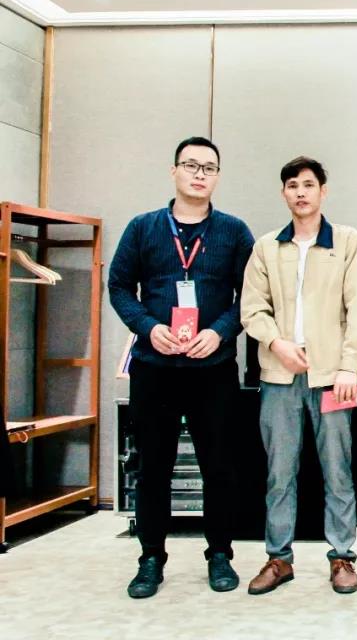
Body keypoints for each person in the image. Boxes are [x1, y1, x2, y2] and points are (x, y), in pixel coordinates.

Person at [108, 136, 254, 598]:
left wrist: (221, 331)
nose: (199, 174)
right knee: (154, 467)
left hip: (213, 368)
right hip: (155, 367)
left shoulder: (234, 231)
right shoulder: (143, 227)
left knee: (220, 466)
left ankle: (220, 554)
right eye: (191, 165)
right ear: (174, 171)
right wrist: (148, 327)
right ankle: (151, 557)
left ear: (218, 177)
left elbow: (252, 295)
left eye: (208, 168)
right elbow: (119, 287)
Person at [240, 156, 357, 595]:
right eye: (293, 185)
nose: (301, 192)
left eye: (309, 184)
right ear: (284, 193)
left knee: (338, 469)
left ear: (323, 191)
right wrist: (276, 343)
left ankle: (342, 557)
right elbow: (252, 309)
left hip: (334, 377)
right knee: (279, 471)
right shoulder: (266, 247)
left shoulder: (347, 241)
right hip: (279, 375)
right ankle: (279, 558)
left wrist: (349, 366)